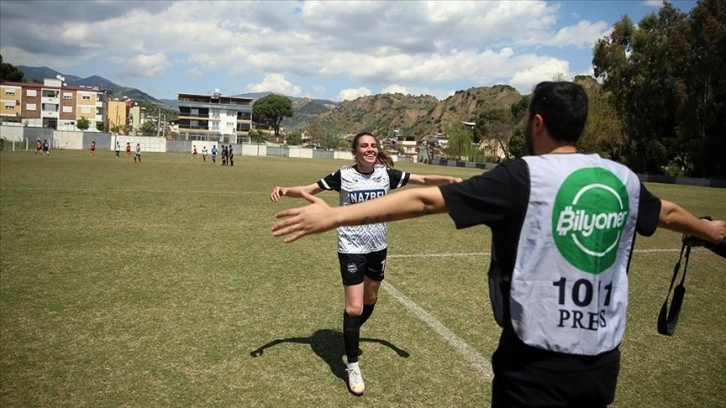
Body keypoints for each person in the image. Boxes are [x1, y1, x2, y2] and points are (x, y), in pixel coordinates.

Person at [271, 82, 726, 406]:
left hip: (532, 366)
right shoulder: (621, 178)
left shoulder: (521, 176)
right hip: (601, 366)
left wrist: (333, 216)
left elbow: (425, 200)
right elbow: (666, 213)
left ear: (537, 123)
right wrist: (712, 232)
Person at [270, 131, 462, 396]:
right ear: (354, 152)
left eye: (373, 145)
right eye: (364, 146)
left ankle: (351, 332)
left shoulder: (386, 175)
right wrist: (285, 190)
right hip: (350, 247)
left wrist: (449, 181)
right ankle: (352, 366)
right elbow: (309, 189)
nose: (370, 149)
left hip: (378, 247)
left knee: (370, 298)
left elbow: (423, 180)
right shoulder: (343, 175)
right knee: (354, 307)